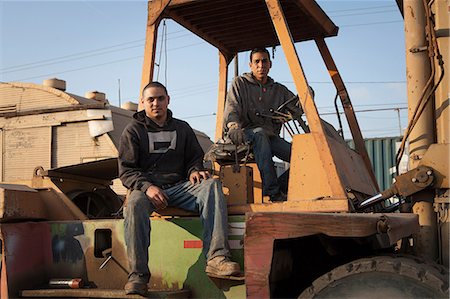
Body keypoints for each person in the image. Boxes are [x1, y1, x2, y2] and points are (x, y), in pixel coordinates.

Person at [119, 81, 240, 295]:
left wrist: (194, 170)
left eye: (160, 98)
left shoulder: (182, 128)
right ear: (143, 103)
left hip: (180, 188)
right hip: (148, 190)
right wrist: (147, 187)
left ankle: (217, 258)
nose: (156, 103)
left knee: (211, 186)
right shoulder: (133, 131)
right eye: (151, 99)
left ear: (168, 100)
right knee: (134, 204)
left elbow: (194, 158)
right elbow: (127, 171)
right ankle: (138, 276)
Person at [223, 47, 302, 202]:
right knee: (259, 133)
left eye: (264, 61)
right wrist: (233, 126)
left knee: (302, 157)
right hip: (245, 134)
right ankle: (273, 192)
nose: (261, 65)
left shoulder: (279, 90)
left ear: (270, 64)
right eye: (257, 62)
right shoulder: (240, 83)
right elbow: (232, 107)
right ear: (251, 65)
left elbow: (297, 107)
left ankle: (281, 186)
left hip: (270, 137)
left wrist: (306, 98)